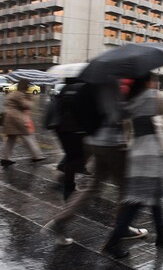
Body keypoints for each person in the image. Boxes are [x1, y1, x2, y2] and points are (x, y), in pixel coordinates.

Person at [41, 81, 148, 246]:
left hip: (95, 141)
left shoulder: (94, 85)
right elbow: (119, 114)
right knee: (126, 188)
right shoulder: (111, 86)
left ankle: (59, 222)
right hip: (113, 144)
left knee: (93, 186)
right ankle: (122, 228)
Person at [103, 73, 163, 259]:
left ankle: (162, 232)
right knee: (135, 203)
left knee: (155, 195)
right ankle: (113, 242)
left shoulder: (131, 99)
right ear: (148, 81)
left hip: (136, 152)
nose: (156, 83)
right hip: (152, 154)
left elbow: (118, 117)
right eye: (154, 79)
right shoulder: (157, 96)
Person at [1, 79, 46, 167]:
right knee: (27, 135)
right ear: (25, 86)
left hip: (9, 117)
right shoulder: (20, 94)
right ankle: (36, 155)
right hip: (17, 118)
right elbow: (27, 106)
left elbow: (6, 103)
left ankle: (5, 158)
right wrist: (30, 98)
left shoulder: (12, 93)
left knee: (11, 139)